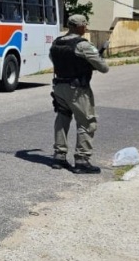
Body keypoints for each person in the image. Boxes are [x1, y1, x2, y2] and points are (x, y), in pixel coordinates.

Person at [49, 14, 110, 174]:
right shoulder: (83, 45)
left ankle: (59, 157)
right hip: (77, 90)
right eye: (85, 25)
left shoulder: (56, 43)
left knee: (62, 120)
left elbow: (55, 60)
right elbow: (103, 68)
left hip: (59, 86)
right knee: (86, 123)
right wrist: (95, 58)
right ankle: (82, 160)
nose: (86, 28)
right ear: (79, 26)